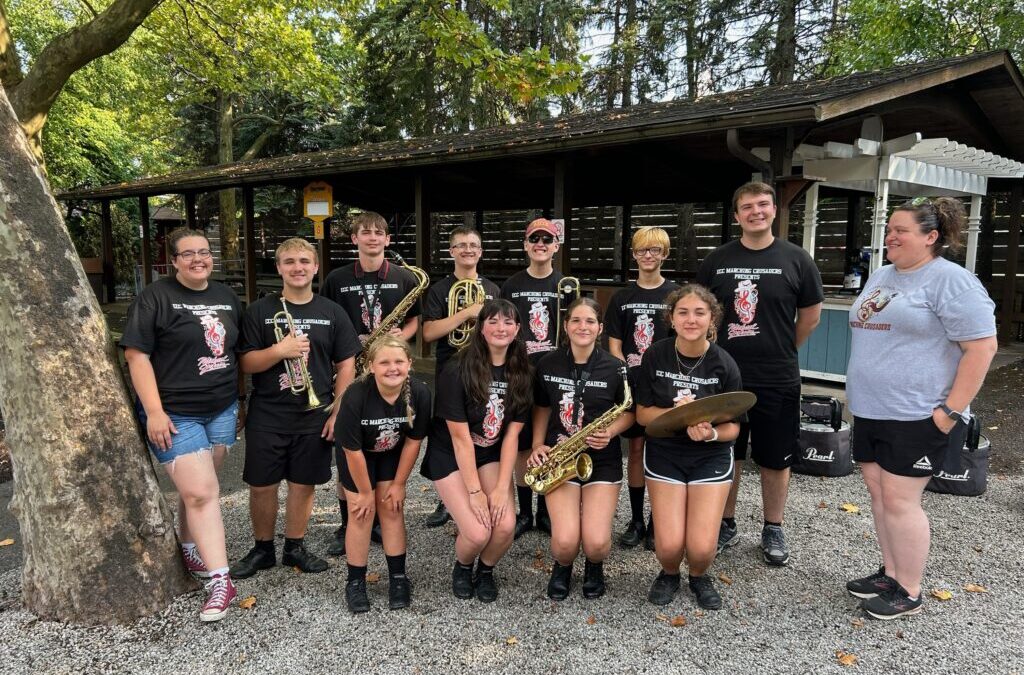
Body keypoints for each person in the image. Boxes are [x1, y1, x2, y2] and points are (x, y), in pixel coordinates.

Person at [845, 197, 996, 620]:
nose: (890, 236)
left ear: (931, 237)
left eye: (901, 230)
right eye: (889, 228)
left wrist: (950, 410)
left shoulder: (952, 281)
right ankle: (891, 573)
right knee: (878, 492)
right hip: (872, 409)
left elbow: (982, 347)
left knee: (900, 500)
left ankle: (909, 590)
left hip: (918, 413)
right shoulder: (883, 274)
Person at [696, 182, 823, 566]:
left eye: (763, 205)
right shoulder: (717, 260)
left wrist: (782, 349)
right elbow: (699, 312)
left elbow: (810, 316)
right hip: (724, 376)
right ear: (736, 216)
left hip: (777, 375)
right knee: (725, 451)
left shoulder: (797, 259)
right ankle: (725, 523)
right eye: (747, 206)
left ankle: (773, 526)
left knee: (775, 457)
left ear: (773, 211)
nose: (756, 211)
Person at [121, 227, 243, 622]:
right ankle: (222, 581)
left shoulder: (225, 296)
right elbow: (137, 357)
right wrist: (154, 411)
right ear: (173, 261)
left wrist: (239, 401)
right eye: (188, 254)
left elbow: (232, 350)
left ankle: (189, 545)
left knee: (198, 490)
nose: (197, 260)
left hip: (221, 408)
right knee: (203, 493)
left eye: (204, 252)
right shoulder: (155, 297)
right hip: (175, 413)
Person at [230, 238, 361, 580]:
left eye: (304, 261)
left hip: (314, 413)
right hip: (269, 413)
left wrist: (337, 411)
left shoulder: (331, 311)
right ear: (279, 268)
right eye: (289, 262)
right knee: (262, 484)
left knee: (304, 483)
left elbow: (347, 363)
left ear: (316, 267)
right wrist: (280, 351)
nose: (297, 267)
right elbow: (246, 363)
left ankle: (294, 546)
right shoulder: (260, 311)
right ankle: (262, 549)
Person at [634, 285, 743, 610]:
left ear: (712, 319)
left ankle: (698, 575)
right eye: (683, 312)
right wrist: (679, 415)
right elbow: (642, 414)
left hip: (709, 457)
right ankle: (668, 573)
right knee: (668, 547)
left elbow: (733, 427)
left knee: (700, 548)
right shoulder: (655, 355)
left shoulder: (725, 363)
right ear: (671, 317)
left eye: (699, 312)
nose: (691, 319)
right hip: (666, 454)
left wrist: (709, 433)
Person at [321, 211, 423, 555]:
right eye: (365, 233)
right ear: (354, 240)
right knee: (347, 447)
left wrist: (401, 335)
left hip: (386, 367)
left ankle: (380, 519)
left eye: (379, 233)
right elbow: (328, 321)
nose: (372, 237)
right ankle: (349, 521)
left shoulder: (403, 277)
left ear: (387, 240)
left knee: (385, 437)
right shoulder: (336, 278)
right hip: (352, 367)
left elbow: (414, 321)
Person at [420, 299, 532, 603]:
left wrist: (498, 487)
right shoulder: (457, 368)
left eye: (508, 322)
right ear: (481, 328)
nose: (501, 328)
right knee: (479, 532)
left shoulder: (521, 371)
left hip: (491, 451)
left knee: (506, 525)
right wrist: (475, 492)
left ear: (518, 329)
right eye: (493, 321)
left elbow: (512, 437)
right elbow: (459, 439)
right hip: (452, 453)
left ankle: (485, 569)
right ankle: (463, 566)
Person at [527, 298, 634, 600]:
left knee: (597, 543)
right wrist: (538, 444)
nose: (582, 326)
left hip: (601, 460)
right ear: (565, 326)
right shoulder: (547, 362)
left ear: (600, 328)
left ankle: (594, 565)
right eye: (576, 320)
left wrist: (611, 431)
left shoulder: (616, 368)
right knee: (563, 542)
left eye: (589, 321)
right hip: (561, 461)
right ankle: (562, 565)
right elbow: (541, 406)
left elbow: (630, 411)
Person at [334, 336, 431, 613]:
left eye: (399, 361)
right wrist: (365, 493)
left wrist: (399, 484)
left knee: (391, 509)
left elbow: (414, 442)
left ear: (409, 364)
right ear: (371, 366)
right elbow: (351, 450)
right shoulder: (355, 395)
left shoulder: (420, 393)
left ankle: (398, 578)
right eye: (384, 362)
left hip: (390, 454)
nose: (392, 368)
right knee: (361, 513)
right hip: (358, 455)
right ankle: (355, 582)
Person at [421, 225, 501, 528]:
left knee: (481, 428)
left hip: (484, 370)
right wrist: (467, 313)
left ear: (480, 251)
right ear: (452, 251)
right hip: (450, 368)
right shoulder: (441, 289)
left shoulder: (493, 289)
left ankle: (479, 487)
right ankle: (445, 499)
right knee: (448, 433)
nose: (468, 250)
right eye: (461, 245)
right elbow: (428, 333)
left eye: (473, 245)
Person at [606, 226, 680, 551]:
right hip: (632, 385)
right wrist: (626, 377)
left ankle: (656, 521)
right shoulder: (622, 297)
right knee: (635, 451)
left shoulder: (675, 295)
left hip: (663, 387)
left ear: (664, 254)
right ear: (634, 254)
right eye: (641, 250)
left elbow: (683, 341)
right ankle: (636, 519)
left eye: (654, 250)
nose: (648, 256)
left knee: (661, 453)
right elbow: (614, 344)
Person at [501, 218, 565, 538]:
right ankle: (525, 512)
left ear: (556, 245)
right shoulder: (511, 285)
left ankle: (545, 510)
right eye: (534, 239)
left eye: (547, 239)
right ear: (526, 245)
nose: (540, 244)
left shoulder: (565, 285)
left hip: (556, 373)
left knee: (550, 442)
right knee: (524, 444)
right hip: (522, 373)